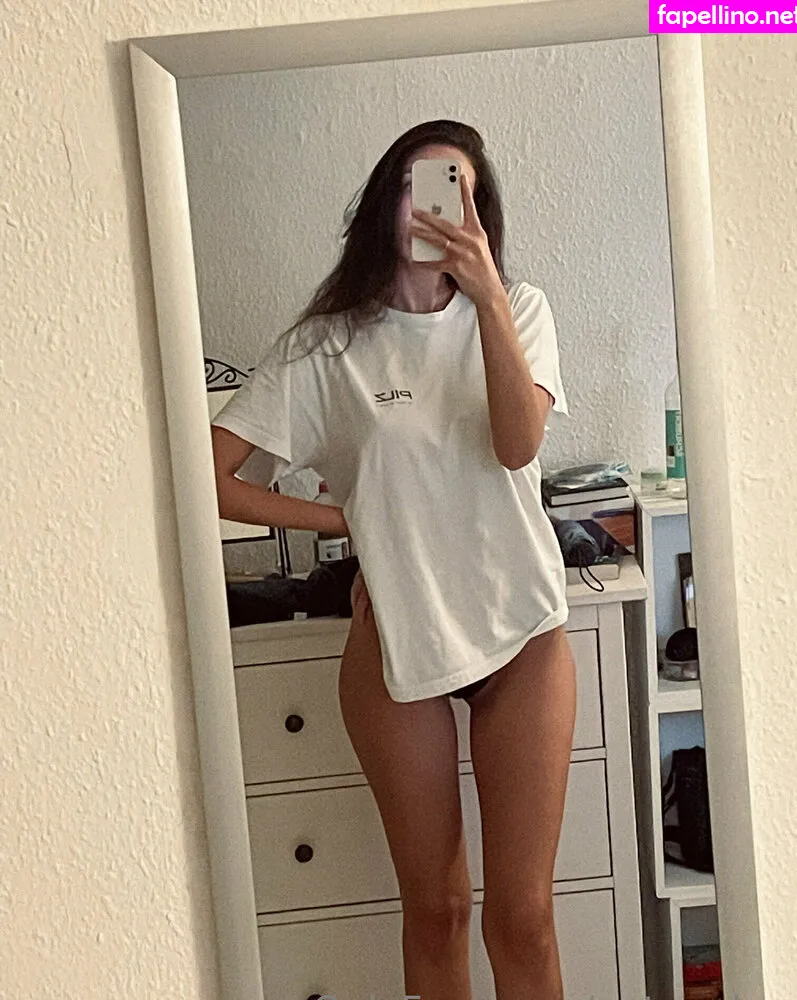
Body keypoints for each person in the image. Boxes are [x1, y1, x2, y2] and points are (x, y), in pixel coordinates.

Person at [211, 119, 577, 1000]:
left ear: (481, 212)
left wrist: (486, 298)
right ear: (386, 200)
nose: (438, 208)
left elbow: (517, 445)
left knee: (522, 917)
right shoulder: (324, 348)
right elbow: (209, 478)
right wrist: (345, 520)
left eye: (460, 191)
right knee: (437, 909)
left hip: (521, 632)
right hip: (395, 637)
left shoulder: (520, 310)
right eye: (421, 185)